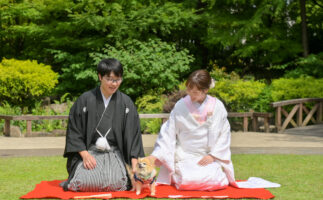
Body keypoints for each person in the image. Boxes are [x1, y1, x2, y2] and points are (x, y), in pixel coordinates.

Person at [62, 58, 145, 192]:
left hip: (115, 153)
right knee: (85, 182)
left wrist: (134, 169)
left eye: (118, 79)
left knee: (118, 182)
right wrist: (84, 155)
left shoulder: (126, 103)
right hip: (90, 151)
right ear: (100, 77)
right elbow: (74, 130)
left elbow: (133, 136)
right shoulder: (85, 100)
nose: (114, 84)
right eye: (110, 79)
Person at [148, 69, 237, 191]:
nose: (190, 94)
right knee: (189, 180)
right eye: (189, 90)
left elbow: (224, 134)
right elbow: (168, 132)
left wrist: (213, 155)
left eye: (195, 92)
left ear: (205, 90)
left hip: (207, 156)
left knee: (216, 181)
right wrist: (155, 155)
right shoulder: (181, 105)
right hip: (185, 155)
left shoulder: (217, 106)